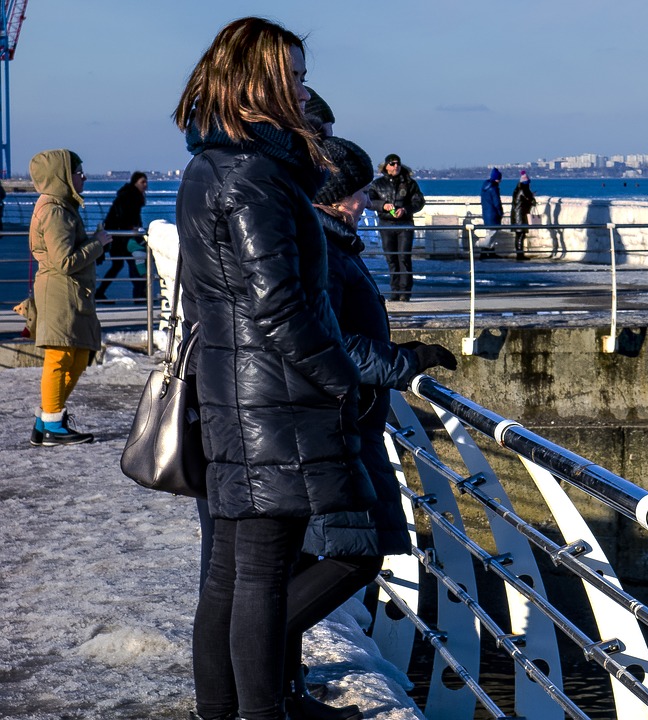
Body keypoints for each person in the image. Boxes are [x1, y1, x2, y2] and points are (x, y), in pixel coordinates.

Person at [173, 17, 375, 720]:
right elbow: (282, 303)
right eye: (291, 75)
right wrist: (344, 382)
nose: (301, 86)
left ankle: (221, 712)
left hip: (239, 396)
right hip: (276, 404)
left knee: (232, 573)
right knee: (256, 575)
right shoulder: (254, 175)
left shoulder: (211, 163)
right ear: (256, 83)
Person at [290, 135, 457, 720]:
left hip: (344, 422)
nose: (365, 202)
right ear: (333, 197)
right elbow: (336, 344)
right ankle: (261, 651)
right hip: (337, 427)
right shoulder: (324, 253)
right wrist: (408, 359)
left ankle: (284, 684)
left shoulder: (331, 244)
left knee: (314, 558)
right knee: (355, 554)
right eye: (357, 192)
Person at [28, 148, 112, 446]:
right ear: (62, 176)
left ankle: (46, 421)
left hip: (69, 294)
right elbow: (64, 261)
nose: (83, 176)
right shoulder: (54, 210)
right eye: (77, 171)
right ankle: (52, 423)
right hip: (60, 293)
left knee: (77, 355)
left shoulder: (61, 206)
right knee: (60, 356)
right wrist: (98, 244)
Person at [367, 153, 424, 301]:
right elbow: (370, 200)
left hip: (405, 225)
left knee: (404, 257)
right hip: (386, 225)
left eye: (397, 163)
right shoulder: (378, 184)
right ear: (386, 166)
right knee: (391, 258)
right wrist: (383, 205)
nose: (396, 166)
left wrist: (405, 210)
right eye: (392, 163)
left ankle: (405, 292)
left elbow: (419, 202)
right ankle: (395, 290)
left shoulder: (409, 183)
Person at [95, 171, 149, 303]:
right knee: (134, 263)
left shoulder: (130, 195)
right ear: (135, 182)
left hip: (118, 236)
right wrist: (131, 227)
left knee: (119, 265)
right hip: (121, 238)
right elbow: (124, 216)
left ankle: (100, 292)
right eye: (142, 182)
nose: (145, 185)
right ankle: (139, 295)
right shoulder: (130, 196)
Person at [510, 169, 536, 261]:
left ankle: (519, 254)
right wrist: (532, 197)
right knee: (521, 236)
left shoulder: (517, 190)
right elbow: (530, 201)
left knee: (518, 236)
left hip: (516, 216)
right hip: (520, 217)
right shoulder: (523, 190)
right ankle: (520, 255)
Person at [479, 167, 503, 256]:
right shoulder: (494, 188)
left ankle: (491, 251)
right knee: (492, 233)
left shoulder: (485, 186)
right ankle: (483, 248)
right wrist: (500, 212)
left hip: (486, 213)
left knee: (490, 232)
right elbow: (497, 202)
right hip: (493, 213)